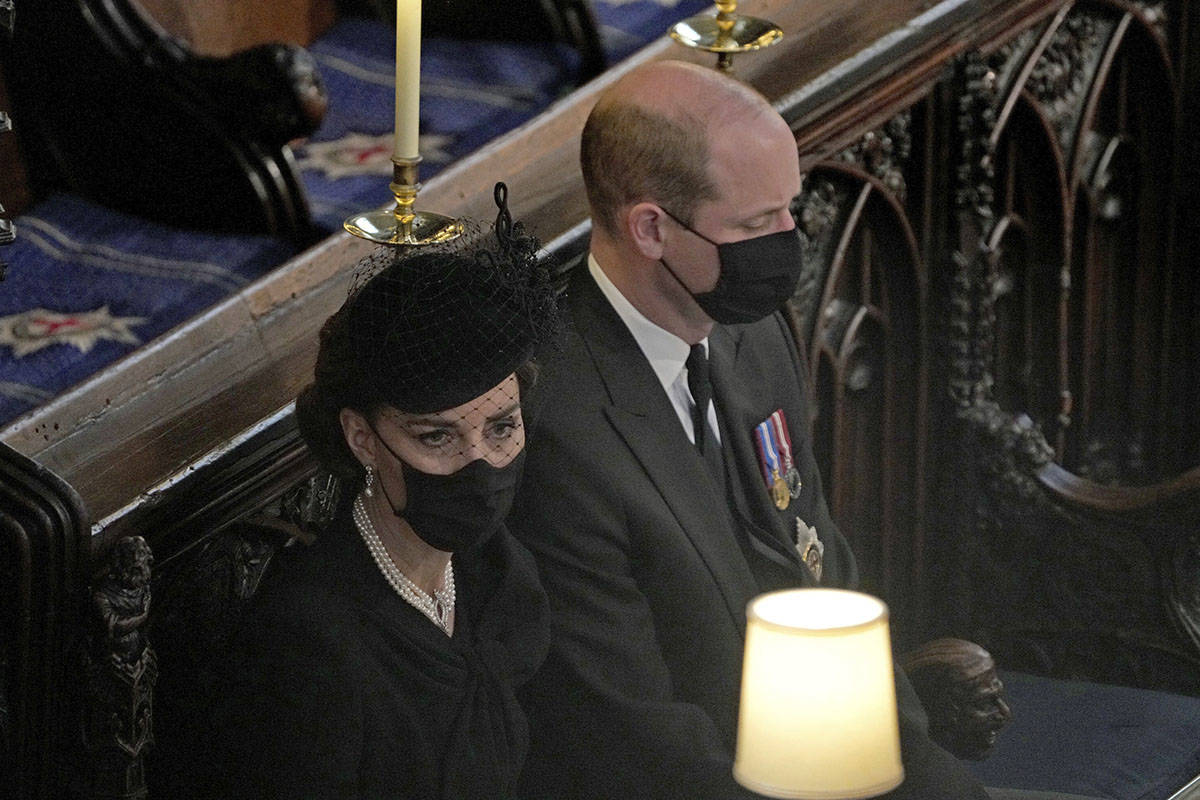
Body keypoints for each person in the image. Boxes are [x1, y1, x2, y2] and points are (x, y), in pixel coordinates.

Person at [508, 60, 1070, 800]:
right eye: (755, 223)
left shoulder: (751, 332)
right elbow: (634, 733)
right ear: (651, 228)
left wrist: (919, 770)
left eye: (790, 210)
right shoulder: (560, 429)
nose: (789, 241)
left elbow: (823, 574)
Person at [194, 185, 560, 799]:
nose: (481, 465)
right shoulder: (309, 649)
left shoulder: (495, 574)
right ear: (362, 438)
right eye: (437, 438)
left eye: (501, 427)